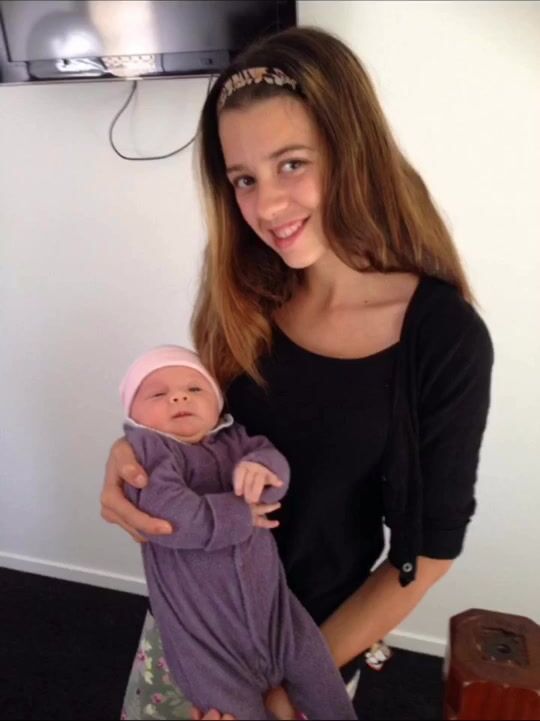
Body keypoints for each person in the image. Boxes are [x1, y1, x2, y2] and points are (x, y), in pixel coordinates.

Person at [101, 26, 494, 721]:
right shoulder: (243, 294)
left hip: (310, 647)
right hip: (192, 626)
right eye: (244, 180)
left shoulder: (442, 338)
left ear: (353, 150)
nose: (268, 207)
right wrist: (129, 452)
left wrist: (287, 695)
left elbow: (429, 554)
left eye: (291, 164)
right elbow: (201, 432)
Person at [118, 344, 357, 720]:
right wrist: (239, 513)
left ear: (217, 402)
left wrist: (262, 470)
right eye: (158, 394)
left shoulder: (236, 439)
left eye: (194, 389)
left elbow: (273, 473)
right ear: (133, 416)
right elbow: (170, 517)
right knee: (232, 710)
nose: (179, 397)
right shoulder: (148, 454)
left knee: (321, 677)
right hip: (205, 639)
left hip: (276, 613)